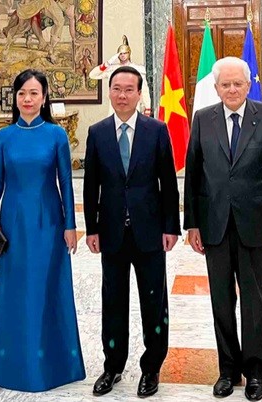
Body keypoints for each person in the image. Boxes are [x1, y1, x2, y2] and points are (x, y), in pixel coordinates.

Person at [183, 57, 262, 401]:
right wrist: (193, 223)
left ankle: (255, 371)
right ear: (216, 88)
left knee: (255, 300)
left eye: (237, 84)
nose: (231, 90)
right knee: (221, 300)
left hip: (255, 223)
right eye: (225, 85)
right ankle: (228, 370)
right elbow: (194, 175)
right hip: (214, 224)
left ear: (249, 85)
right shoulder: (202, 119)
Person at [0, 69, 85, 392]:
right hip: (13, 222)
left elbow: (65, 183)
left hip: (48, 222)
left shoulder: (55, 135)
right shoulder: (4, 137)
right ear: (16, 98)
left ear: (44, 98)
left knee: (47, 287)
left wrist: (71, 225)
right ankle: (13, 365)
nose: (27, 99)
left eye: (34, 93)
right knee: (16, 290)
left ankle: (55, 366)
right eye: (22, 93)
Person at [83, 65, 180, 398]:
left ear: (140, 94)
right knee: (113, 301)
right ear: (109, 92)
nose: (122, 95)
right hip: (111, 232)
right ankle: (113, 366)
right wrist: (91, 229)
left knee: (154, 301)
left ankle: (151, 367)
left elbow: (168, 183)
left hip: (150, 231)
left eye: (129, 89)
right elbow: (90, 185)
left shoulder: (156, 130)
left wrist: (171, 227)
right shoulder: (97, 133)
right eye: (116, 89)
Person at [89, 35, 152, 116]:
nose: (122, 55)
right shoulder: (112, 69)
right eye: (120, 53)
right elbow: (92, 75)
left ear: (129, 53)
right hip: (115, 105)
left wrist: (147, 107)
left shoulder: (137, 69)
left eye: (125, 53)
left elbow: (144, 89)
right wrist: (107, 63)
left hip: (132, 104)